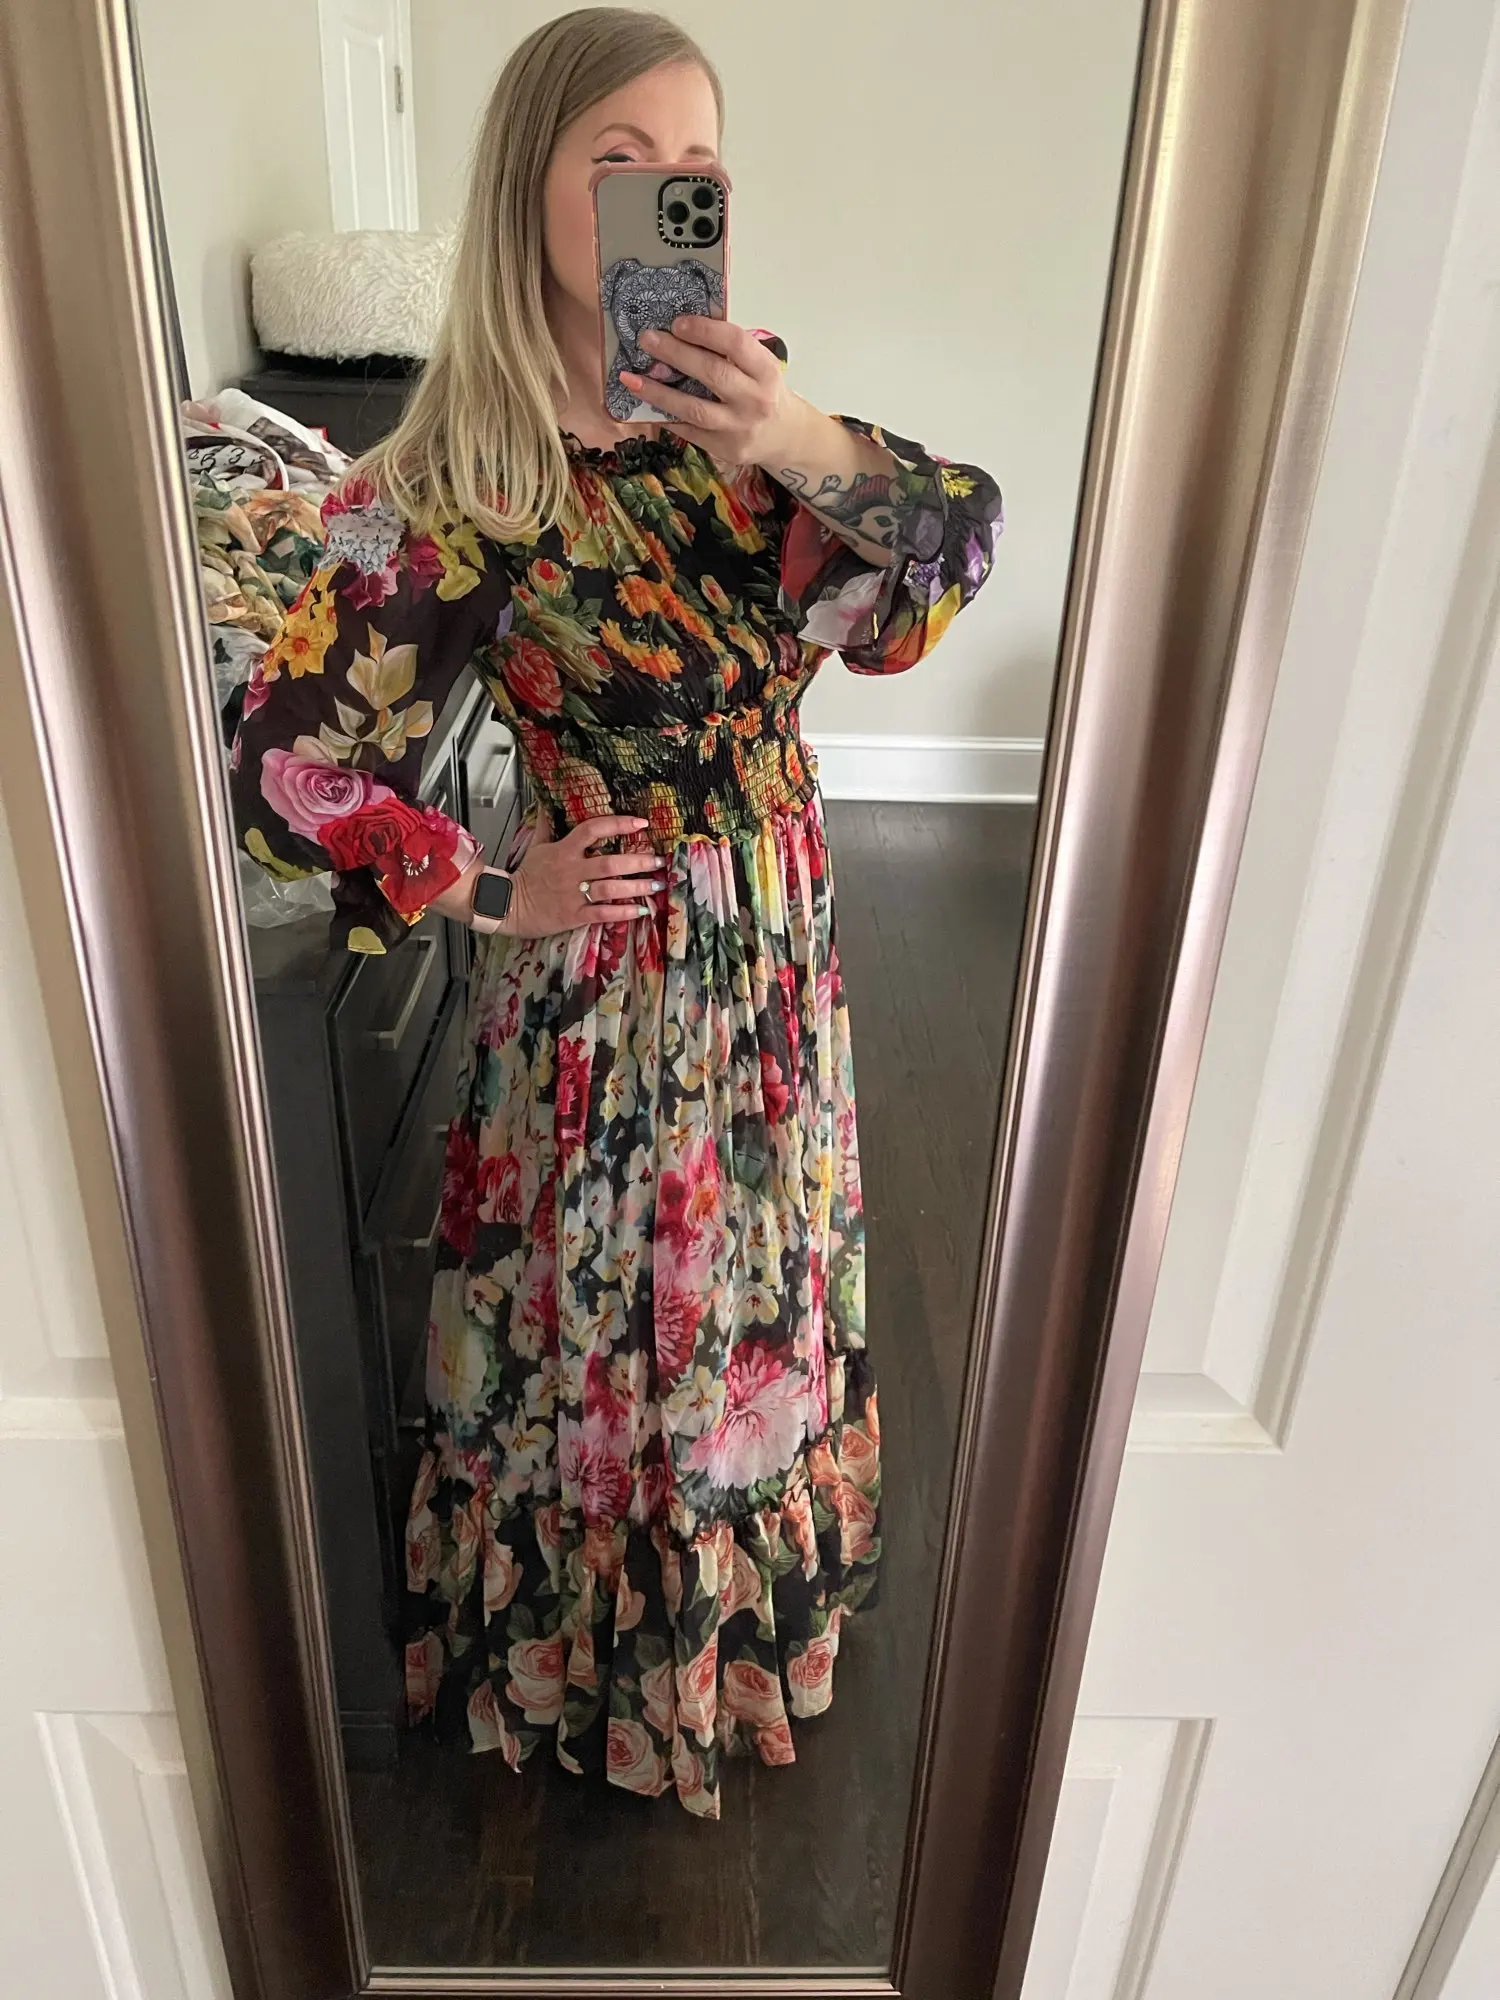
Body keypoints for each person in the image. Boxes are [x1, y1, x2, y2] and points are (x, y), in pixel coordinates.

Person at [231, 5, 1002, 1822]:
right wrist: (495, 886)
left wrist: (795, 432)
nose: (665, 192)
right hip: (608, 976)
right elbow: (283, 763)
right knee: (612, 1314)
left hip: (778, 940)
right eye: (617, 161)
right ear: (532, 189)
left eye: (695, 168)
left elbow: (947, 560)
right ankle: (597, 1653)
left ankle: (735, 1618)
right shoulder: (445, 485)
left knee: (752, 1280)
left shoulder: (766, 426)